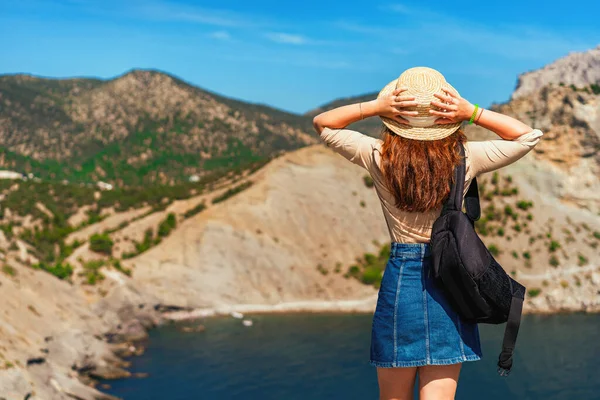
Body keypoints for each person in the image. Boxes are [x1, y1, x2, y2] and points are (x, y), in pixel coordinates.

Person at [312, 67, 543, 400]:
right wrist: (471, 112)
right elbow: (527, 136)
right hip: (451, 281)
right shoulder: (465, 158)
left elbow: (323, 123)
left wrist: (376, 107)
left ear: (396, 117)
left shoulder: (379, 156)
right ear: (446, 118)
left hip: (401, 283)